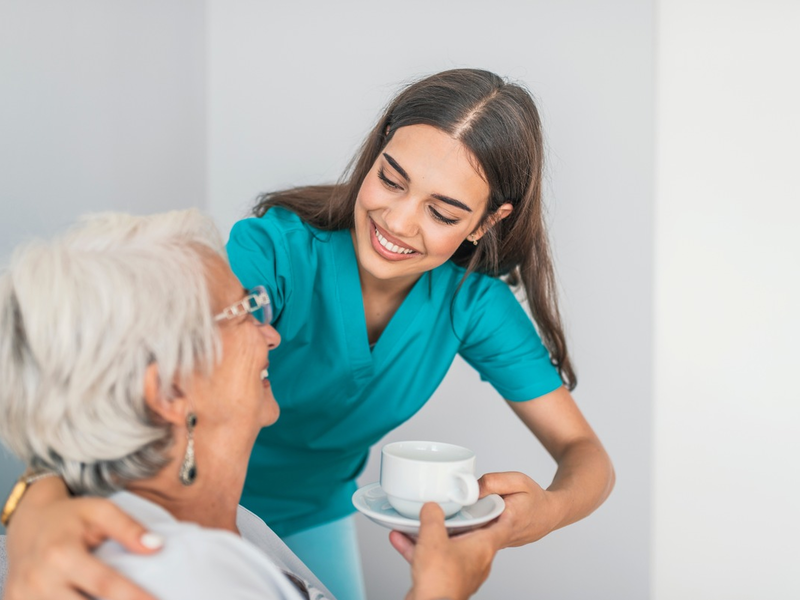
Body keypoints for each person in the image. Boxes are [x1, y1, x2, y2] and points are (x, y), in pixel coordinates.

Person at [3, 68, 615, 600]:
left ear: (488, 222)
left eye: (443, 211)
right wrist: (35, 506)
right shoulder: (275, 253)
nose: (397, 221)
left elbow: (587, 459)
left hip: (310, 515)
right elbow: (153, 371)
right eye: (391, 179)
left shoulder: (472, 305)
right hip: (182, 498)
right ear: (373, 155)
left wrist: (544, 513)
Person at [0, 210, 499, 600]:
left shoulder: (226, 521)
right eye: (245, 312)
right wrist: (442, 589)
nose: (273, 334)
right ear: (171, 391)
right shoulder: (181, 572)